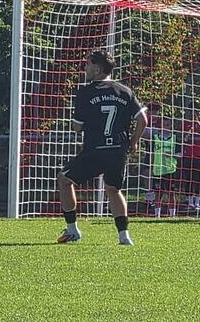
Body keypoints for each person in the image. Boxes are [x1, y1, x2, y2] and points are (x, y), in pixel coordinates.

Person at [56, 49, 148, 245]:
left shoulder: (86, 92)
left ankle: (72, 230)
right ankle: (124, 236)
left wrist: (78, 124)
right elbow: (143, 120)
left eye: (88, 64)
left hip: (95, 151)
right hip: (118, 150)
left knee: (64, 180)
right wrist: (133, 142)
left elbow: (78, 127)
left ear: (97, 69)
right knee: (113, 189)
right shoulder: (125, 91)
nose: (85, 68)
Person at [146, 116, 180, 218]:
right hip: (158, 170)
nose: (166, 127)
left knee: (171, 193)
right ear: (160, 125)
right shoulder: (155, 138)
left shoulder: (174, 138)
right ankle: (157, 215)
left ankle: (172, 215)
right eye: (164, 125)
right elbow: (151, 154)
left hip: (170, 169)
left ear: (170, 126)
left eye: (168, 125)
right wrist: (151, 167)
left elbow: (180, 154)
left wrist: (171, 155)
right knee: (158, 194)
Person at [180, 111, 200, 212]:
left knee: (198, 179)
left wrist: (197, 121)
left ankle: (197, 202)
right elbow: (184, 138)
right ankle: (189, 202)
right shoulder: (185, 123)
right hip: (188, 155)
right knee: (188, 179)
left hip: (199, 155)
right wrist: (189, 131)